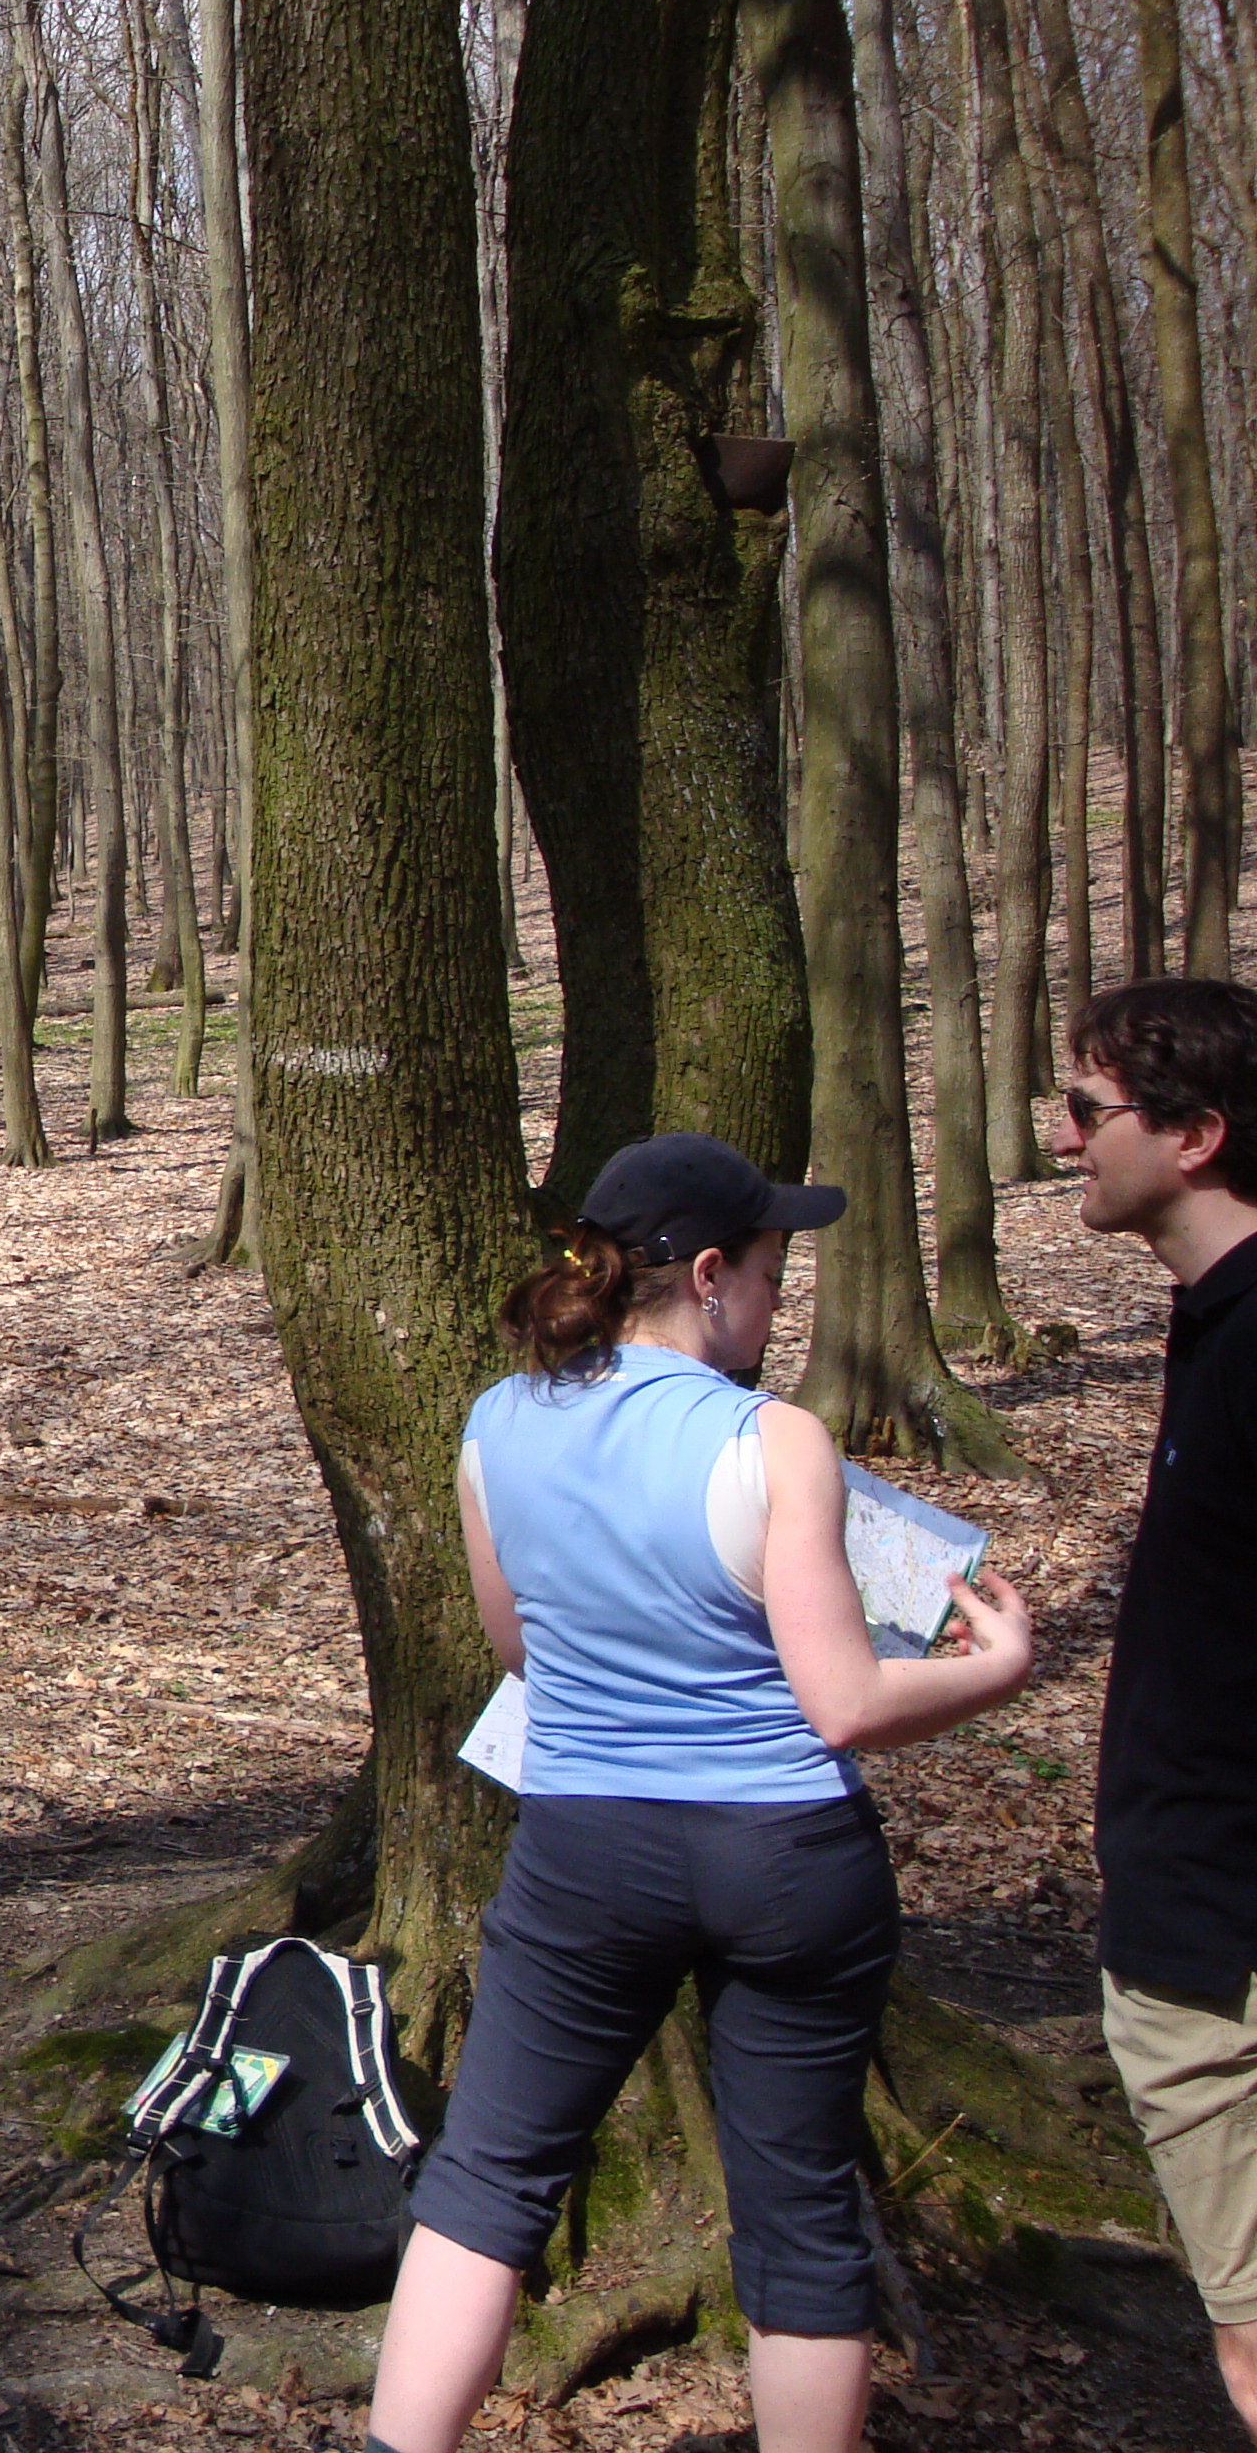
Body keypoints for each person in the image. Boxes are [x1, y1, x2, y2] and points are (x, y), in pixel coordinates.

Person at [364, 1132, 1035, 2453]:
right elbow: (845, 1702)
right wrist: (995, 1669)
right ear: (713, 1275)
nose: (779, 1304)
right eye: (775, 1274)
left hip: (585, 1851)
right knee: (800, 2214)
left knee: (486, 2184)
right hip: (785, 1856)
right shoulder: (773, 1439)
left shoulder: (498, 1424)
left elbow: (519, 1649)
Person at [1055, 976, 1257, 2440]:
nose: (1065, 1138)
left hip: (1220, 1932)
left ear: (1195, 1135)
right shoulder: (1214, 1321)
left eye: (1087, 1109)